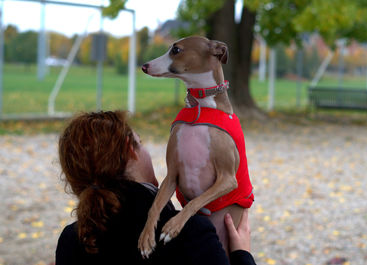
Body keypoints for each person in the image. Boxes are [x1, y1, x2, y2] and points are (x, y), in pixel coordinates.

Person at [55, 111, 256, 265]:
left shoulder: (72, 240)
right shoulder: (189, 233)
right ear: (130, 150)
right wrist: (242, 255)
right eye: (140, 143)